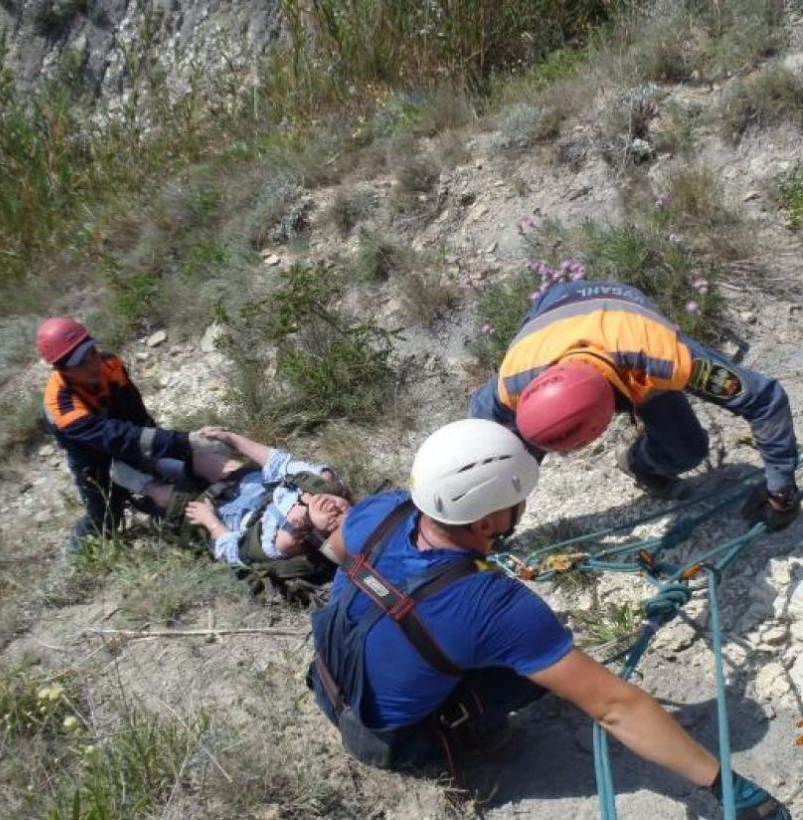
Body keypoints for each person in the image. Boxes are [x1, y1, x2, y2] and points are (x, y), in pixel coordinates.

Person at [308, 419, 791, 819]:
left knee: (440, 637)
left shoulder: (379, 511)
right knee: (539, 665)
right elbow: (615, 707)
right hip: (386, 740)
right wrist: (724, 785)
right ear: (484, 523)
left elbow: (338, 555)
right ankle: (470, 736)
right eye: (515, 503)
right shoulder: (496, 607)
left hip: (329, 683)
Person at [469, 280, 799, 530]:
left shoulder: (664, 361)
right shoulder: (513, 381)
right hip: (552, 311)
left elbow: (765, 399)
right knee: (513, 453)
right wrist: (489, 509)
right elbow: (481, 438)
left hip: (623, 317)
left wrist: (781, 488)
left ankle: (641, 463)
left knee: (687, 451)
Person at [38, 317, 203, 553]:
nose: (93, 364)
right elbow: (114, 437)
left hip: (127, 434)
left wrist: (171, 446)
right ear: (62, 370)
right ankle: (76, 556)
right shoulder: (61, 406)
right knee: (105, 519)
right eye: (81, 364)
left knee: (176, 478)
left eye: (92, 353)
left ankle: (162, 513)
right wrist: (181, 440)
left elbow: (136, 413)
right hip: (93, 458)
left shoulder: (111, 365)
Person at [109, 428, 351, 581]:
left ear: (322, 538)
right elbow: (278, 462)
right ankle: (166, 464)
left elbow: (234, 550)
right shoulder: (324, 484)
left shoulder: (285, 542)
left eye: (334, 522)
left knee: (181, 502)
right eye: (347, 510)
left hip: (231, 517)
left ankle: (144, 484)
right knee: (211, 461)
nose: (336, 510)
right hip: (256, 487)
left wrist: (211, 522)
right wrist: (232, 439)